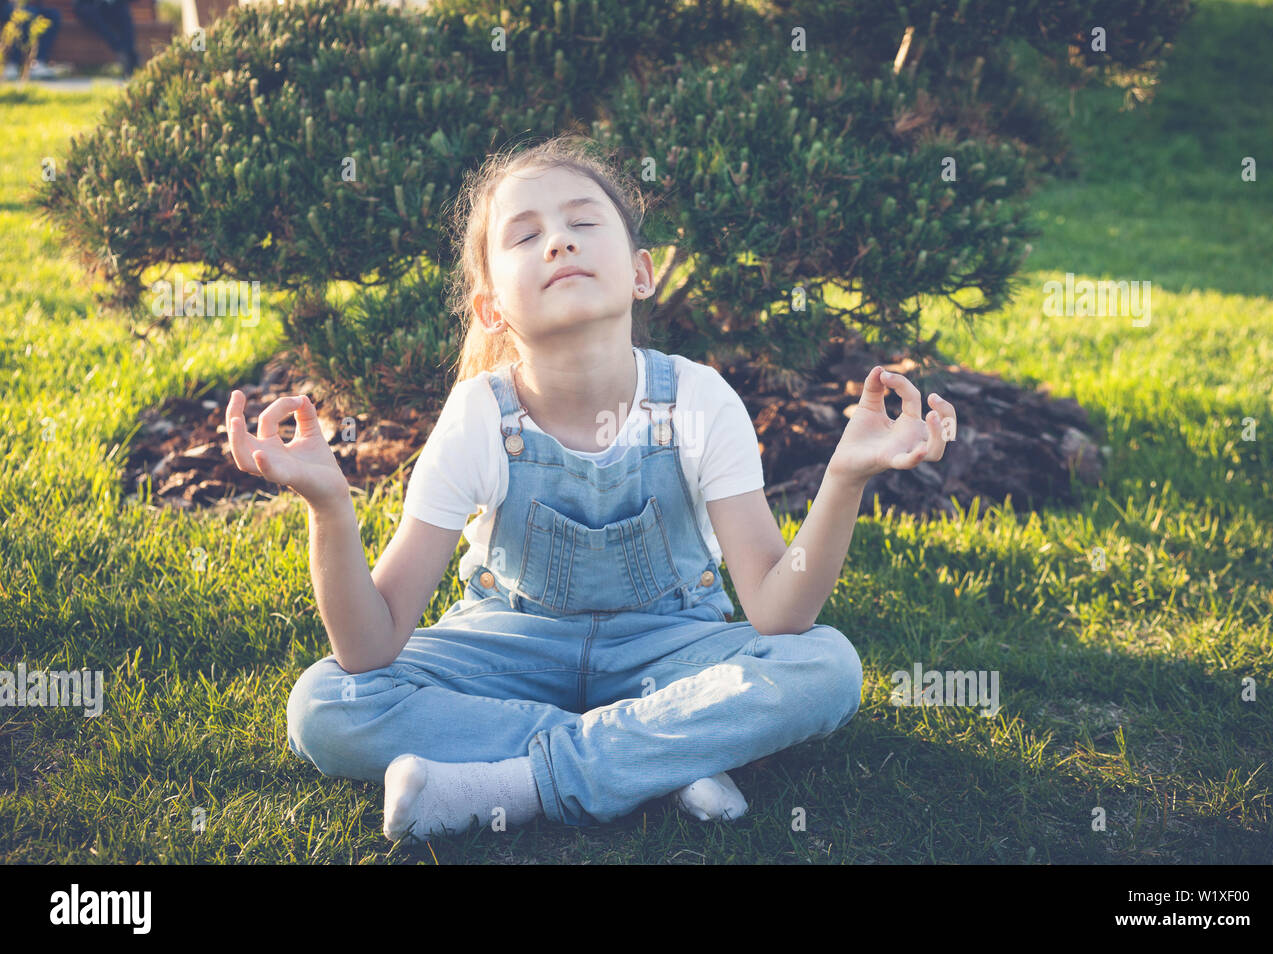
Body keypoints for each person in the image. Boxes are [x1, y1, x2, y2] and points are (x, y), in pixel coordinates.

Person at [227, 135, 957, 841]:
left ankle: (514, 785)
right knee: (327, 702)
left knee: (824, 665)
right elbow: (370, 646)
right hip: (506, 651)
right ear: (491, 309)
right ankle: (657, 757)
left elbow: (776, 612)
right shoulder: (479, 415)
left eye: (583, 222)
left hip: (670, 649)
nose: (559, 242)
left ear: (641, 273)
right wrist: (328, 507)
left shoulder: (699, 400)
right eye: (525, 235)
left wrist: (844, 477)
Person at [1, 0, 67, 79]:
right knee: (28, 14)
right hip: (6, 5)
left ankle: (38, 63)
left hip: (30, 6)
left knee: (53, 16)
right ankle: (13, 63)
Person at [71, 0, 138, 78]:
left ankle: (130, 55)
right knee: (88, 11)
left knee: (123, 11)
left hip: (109, 7)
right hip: (88, 6)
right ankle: (121, 50)